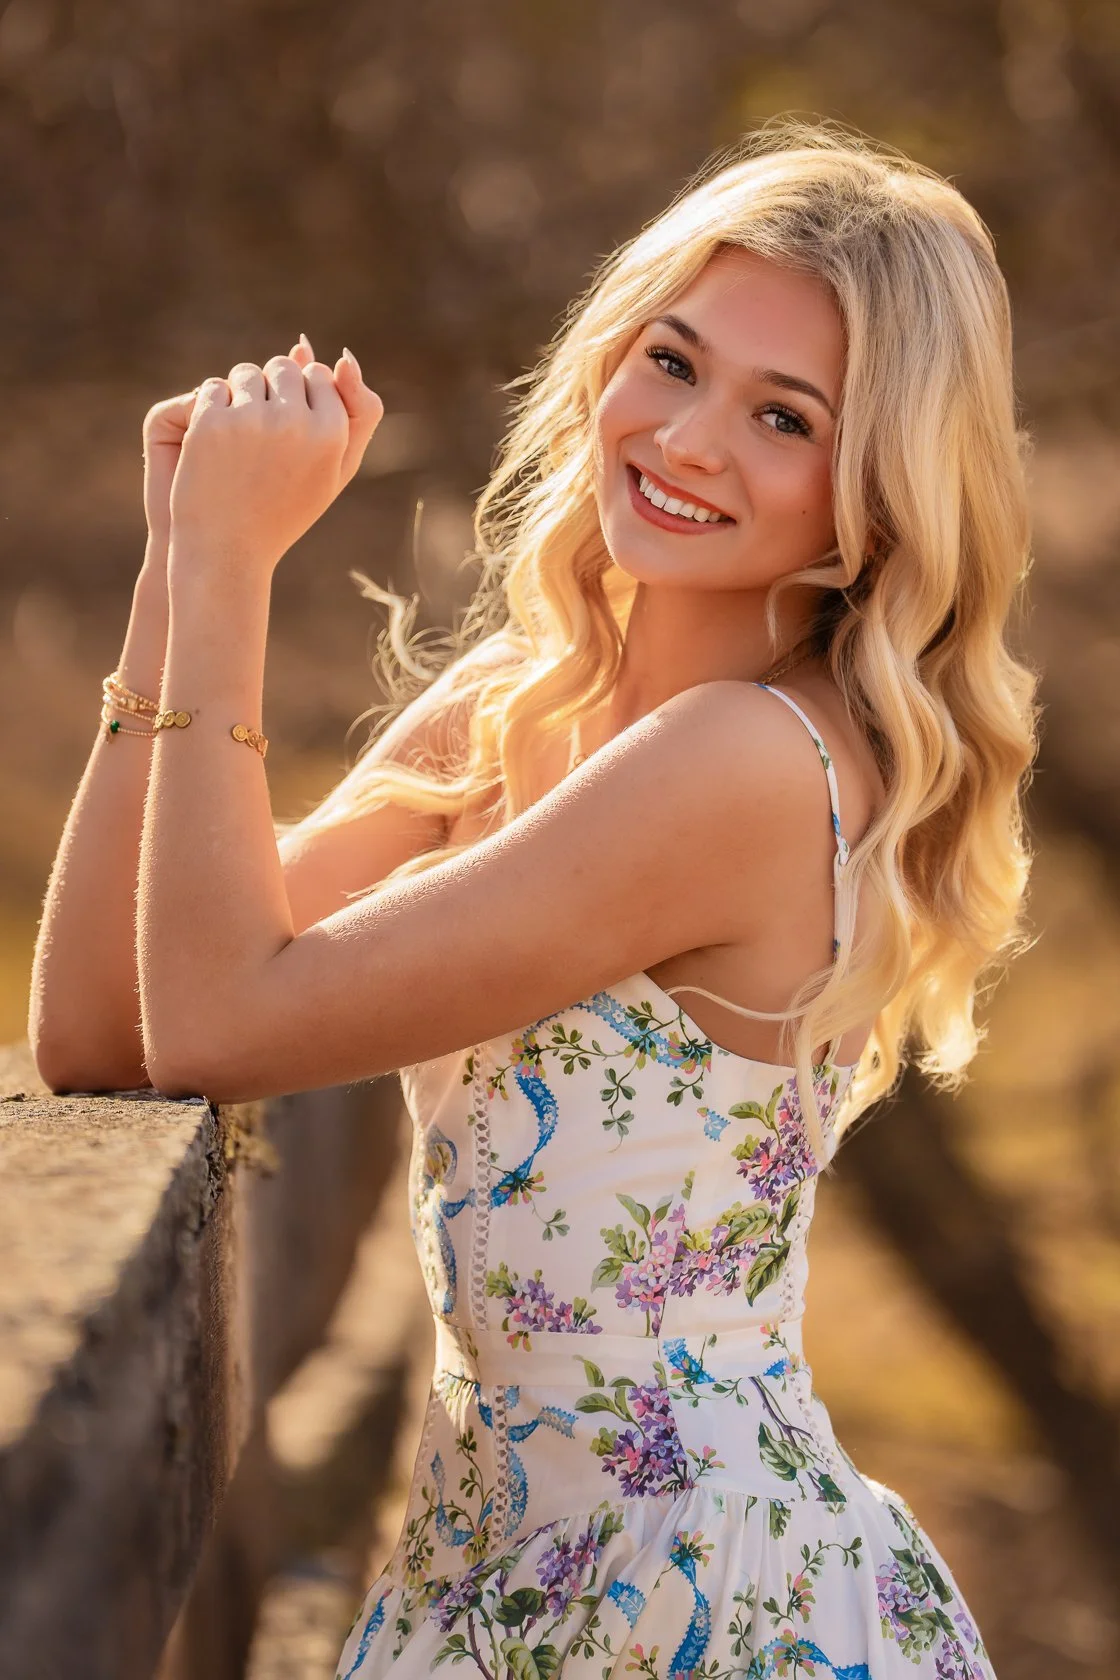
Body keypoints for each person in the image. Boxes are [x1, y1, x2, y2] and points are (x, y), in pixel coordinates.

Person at [30, 122, 1039, 1678]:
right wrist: (177, 572)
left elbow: (224, 1019)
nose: (692, 440)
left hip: (698, 1600)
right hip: (489, 1576)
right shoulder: (524, 705)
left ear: (875, 502)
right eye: (676, 361)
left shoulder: (750, 765)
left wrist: (241, 571)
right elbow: (107, 1028)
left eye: (785, 416)